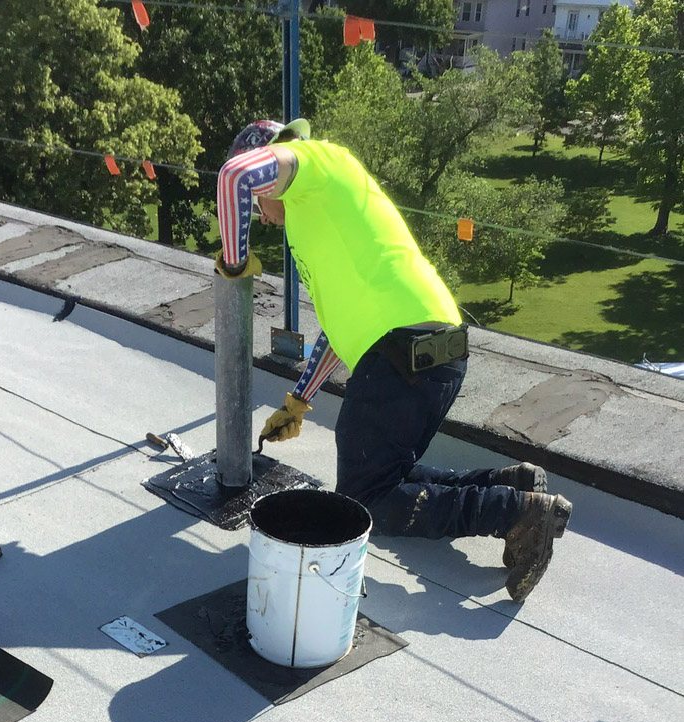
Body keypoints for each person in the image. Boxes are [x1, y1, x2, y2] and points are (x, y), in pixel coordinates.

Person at [215, 118, 572, 602]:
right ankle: (510, 484)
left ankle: (516, 513)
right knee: (386, 477)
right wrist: (298, 401)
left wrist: (235, 266)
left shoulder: (320, 163)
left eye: (261, 204)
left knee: (364, 501)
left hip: (402, 348)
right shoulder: (317, 218)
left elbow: (235, 177)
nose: (262, 214)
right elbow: (341, 336)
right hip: (434, 349)